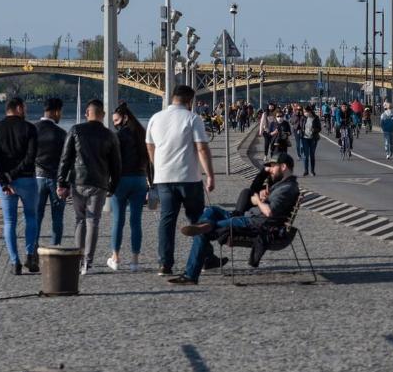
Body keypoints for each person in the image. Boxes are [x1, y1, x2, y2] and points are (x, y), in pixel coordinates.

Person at [169, 153, 300, 285]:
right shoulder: (283, 184)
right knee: (212, 210)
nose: (270, 169)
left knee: (203, 233)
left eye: (273, 166)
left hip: (254, 224)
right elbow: (266, 200)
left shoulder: (287, 188)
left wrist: (258, 201)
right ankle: (207, 225)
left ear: (283, 166)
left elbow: (269, 212)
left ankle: (191, 275)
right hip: (250, 218)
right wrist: (263, 196)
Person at [146, 85, 216, 277]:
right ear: (190, 101)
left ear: (173, 98)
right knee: (197, 219)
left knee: (167, 220)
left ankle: (165, 264)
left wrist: (159, 165)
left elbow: (150, 146)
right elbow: (201, 148)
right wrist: (210, 175)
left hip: (164, 178)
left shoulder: (155, 119)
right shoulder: (193, 119)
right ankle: (205, 259)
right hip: (189, 178)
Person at [57, 99, 122, 275]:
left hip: (78, 182)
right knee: (93, 221)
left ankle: (78, 261)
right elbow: (116, 164)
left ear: (87, 113)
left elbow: (65, 158)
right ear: (103, 115)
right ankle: (88, 263)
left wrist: (61, 182)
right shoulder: (110, 135)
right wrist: (113, 186)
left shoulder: (75, 130)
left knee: (80, 220)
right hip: (99, 183)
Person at [0, 97, 39, 275]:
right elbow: (31, 158)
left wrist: (4, 180)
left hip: (6, 185)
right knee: (31, 217)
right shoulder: (30, 128)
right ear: (18, 108)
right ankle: (30, 256)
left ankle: (14, 262)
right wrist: (14, 174)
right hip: (27, 180)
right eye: (24, 107)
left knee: (9, 222)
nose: (26, 110)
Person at [107, 103, 152, 273]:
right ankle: (135, 261)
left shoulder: (117, 136)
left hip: (121, 181)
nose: (115, 124)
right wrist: (151, 184)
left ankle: (116, 258)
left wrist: (110, 183)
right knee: (136, 222)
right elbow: (149, 162)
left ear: (125, 118)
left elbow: (112, 161)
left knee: (118, 221)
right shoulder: (142, 134)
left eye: (116, 120)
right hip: (140, 180)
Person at [34, 98, 67, 247]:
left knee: (35, 217)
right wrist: (66, 183)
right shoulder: (61, 133)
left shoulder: (33, 129)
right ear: (56, 111)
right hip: (56, 180)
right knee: (57, 218)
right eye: (60, 112)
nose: (61, 116)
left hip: (37, 178)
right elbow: (67, 161)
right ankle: (55, 250)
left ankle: (32, 251)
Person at [301, 105, 322, 176]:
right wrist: (300, 130)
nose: (305, 113)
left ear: (310, 111)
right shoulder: (303, 118)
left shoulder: (315, 118)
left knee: (312, 155)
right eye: (304, 112)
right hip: (305, 138)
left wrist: (314, 130)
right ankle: (306, 170)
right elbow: (300, 126)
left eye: (306, 112)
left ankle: (312, 171)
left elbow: (319, 128)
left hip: (313, 138)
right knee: (306, 155)